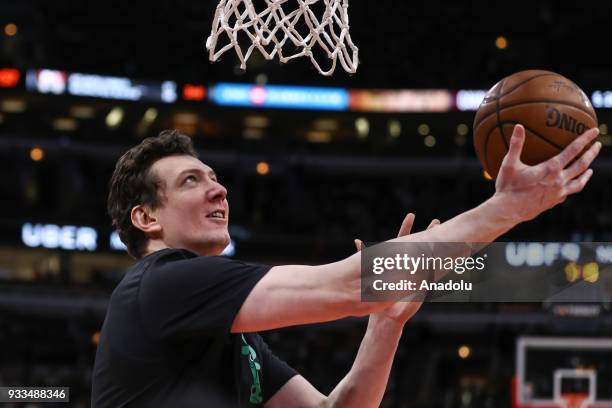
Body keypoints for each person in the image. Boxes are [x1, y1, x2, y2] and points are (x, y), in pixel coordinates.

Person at [91, 125, 601, 407]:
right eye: (189, 181)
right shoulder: (161, 284)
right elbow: (351, 280)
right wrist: (507, 208)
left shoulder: (228, 334)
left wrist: (386, 323)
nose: (218, 188)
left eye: (214, 176)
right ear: (146, 218)